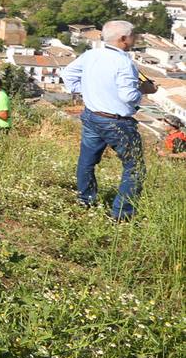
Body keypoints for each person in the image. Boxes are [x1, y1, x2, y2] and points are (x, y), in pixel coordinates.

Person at [61, 20, 157, 221]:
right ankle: (122, 214)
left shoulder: (91, 54)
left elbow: (68, 73)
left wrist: (83, 91)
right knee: (135, 167)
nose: (135, 38)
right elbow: (128, 96)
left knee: (87, 161)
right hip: (117, 122)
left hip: (92, 116)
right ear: (123, 39)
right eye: (133, 34)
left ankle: (85, 200)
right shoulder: (124, 62)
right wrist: (145, 90)